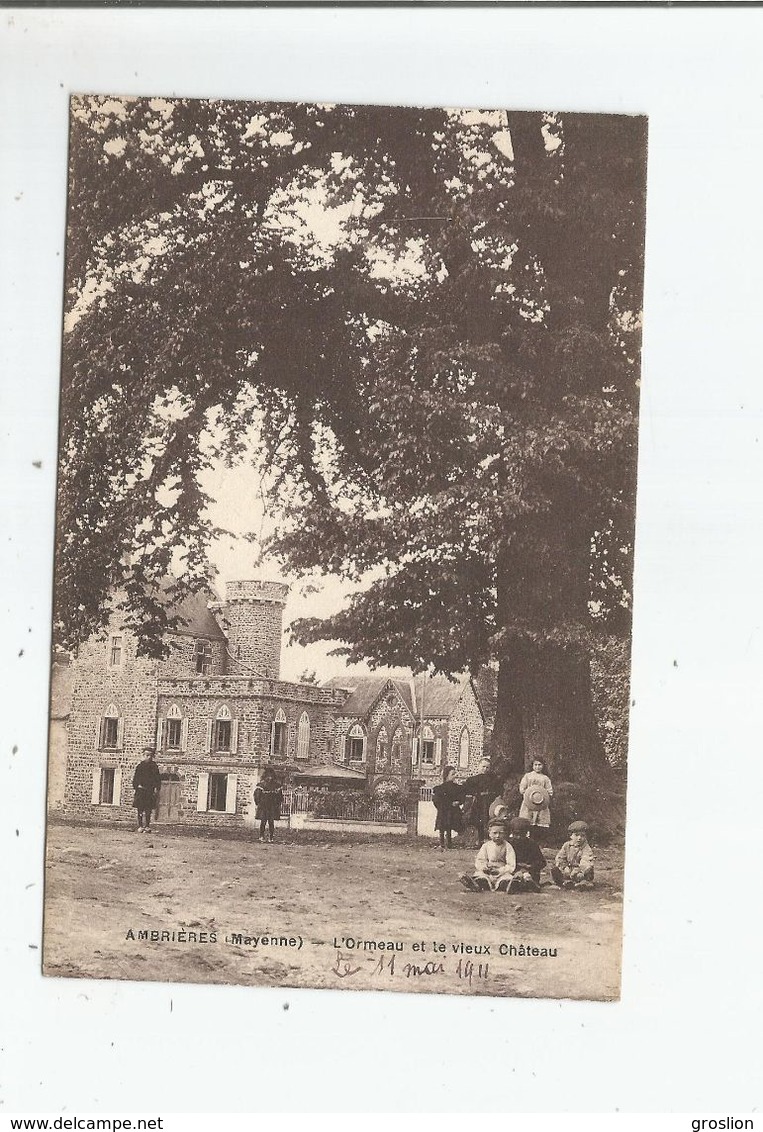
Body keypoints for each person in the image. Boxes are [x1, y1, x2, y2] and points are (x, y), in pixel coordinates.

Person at [460, 819, 516, 892]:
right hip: (488, 871)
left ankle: (508, 885)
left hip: (501, 872)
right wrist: (484, 867)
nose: (498, 836)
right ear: (489, 833)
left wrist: (500, 870)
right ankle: (477, 884)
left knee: (506, 879)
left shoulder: (507, 846)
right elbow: (480, 860)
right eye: (495, 833)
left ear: (505, 834)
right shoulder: (486, 846)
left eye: (501, 833)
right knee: (481, 877)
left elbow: (511, 864)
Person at [462, 757, 502, 847]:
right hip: (478, 803)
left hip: (489, 803)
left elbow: (498, 790)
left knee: (489, 820)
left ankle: (490, 839)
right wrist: (475, 794)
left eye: (487, 767)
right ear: (479, 766)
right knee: (478, 821)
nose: (485, 769)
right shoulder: (472, 780)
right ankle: (478, 839)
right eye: (483, 767)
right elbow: (467, 790)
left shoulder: (493, 780)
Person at [506, 816, 547, 892]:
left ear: (526, 833)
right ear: (512, 832)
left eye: (521, 835)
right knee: (511, 877)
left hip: (530, 871)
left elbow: (542, 862)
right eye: (516, 834)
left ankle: (530, 884)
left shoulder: (532, 844)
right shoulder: (509, 844)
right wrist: (517, 866)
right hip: (514, 870)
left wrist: (530, 866)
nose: (518, 837)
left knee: (528, 876)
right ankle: (516, 884)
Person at [551, 820, 595, 889]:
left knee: (587, 871)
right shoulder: (567, 845)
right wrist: (564, 867)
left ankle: (583, 883)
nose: (579, 838)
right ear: (571, 836)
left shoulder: (586, 848)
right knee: (555, 870)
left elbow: (586, 861)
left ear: (586, 837)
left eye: (582, 835)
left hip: (579, 871)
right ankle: (566, 882)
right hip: (568, 870)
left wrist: (578, 870)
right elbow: (560, 858)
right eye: (576, 835)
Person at [519, 758, 554, 843]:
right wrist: (527, 793)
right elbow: (522, 788)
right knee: (527, 820)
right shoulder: (528, 776)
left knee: (540, 821)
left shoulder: (545, 778)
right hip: (529, 803)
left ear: (543, 766)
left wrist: (543, 795)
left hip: (541, 804)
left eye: (539, 765)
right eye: (535, 765)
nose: (537, 767)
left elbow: (550, 791)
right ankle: (527, 840)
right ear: (532, 765)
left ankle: (538, 841)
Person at [432, 766, 463, 850]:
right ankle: (442, 842)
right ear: (446, 776)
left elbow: (461, 797)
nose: (455, 776)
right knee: (442, 827)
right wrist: (446, 805)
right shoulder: (440, 788)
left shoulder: (456, 788)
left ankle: (449, 843)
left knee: (449, 826)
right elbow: (437, 800)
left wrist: (458, 802)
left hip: (453, 811)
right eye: (452, 774)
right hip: (444, 810)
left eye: (455, 774)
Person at [132, 746, 161, 833]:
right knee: (140, 809)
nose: (148, 757)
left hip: (149, 791)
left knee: (148, 810)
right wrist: (137, 787)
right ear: (143, 755)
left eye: (150, 755)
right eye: (146, 755)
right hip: (141, 791)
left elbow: (157, 779)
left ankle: (147, 826)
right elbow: (135, 779)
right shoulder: (140, 766)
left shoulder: (154, 766)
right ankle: (140, 826)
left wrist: (156, 788)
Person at [253, 768, 283, 843]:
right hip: (263, 806)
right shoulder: (261, 785)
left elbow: (280, 797)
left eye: (271, 776)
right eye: (268, 776)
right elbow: (256, 795)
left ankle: (271, 837)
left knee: (271, 822)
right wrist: (258, 803)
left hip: (272, 806)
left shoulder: (277, 786)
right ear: (265, 776)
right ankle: (261, 836)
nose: (270, 778)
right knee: (263, 821)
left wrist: (277, 804)